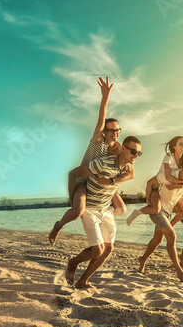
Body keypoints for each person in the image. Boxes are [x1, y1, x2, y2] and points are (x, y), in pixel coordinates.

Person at [49, 77, 131, 245]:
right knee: (77, 211)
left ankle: (99, 215)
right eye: (111, 130)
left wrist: (113, 181)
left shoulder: (119, 148)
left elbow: (130, 171)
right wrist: (105, 97)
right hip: (84, 182)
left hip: (103, 185)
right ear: (105, 132)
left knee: (122, 209)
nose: (115, 133)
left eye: (118, 130)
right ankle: (59, 225)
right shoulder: (97, 142)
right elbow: (100, 120)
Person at [64, 136, 142, 288]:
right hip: (91, 206)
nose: (136, 156)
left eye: (139, 153)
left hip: (106, 208)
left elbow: (132, 174)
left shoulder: (128, 166)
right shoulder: (104, 162)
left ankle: (83, 281)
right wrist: (72, 198)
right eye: (133, 151)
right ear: (123, 148)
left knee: (108, 248)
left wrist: (111, 182)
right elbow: (74, 173)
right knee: (97, 249)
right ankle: (73, 262)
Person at [137, 160, 183, 283]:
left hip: (168, 212)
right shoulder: (169, 176)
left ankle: (143, 260)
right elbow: (153, 183)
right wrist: (148, 198)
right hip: (159, 208)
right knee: (171, 236)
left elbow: (180, 196)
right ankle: (178, 271)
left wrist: (182, 186)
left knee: (158, 239)